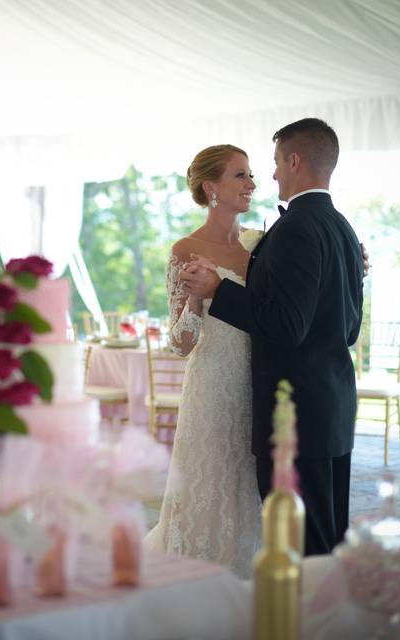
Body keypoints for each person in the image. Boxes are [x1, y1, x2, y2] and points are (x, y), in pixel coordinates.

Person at [180, 118, 364, 556]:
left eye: (277, 163)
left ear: (295, 160)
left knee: (302, 549)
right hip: (332, 409)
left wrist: (218, 290)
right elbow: (350, 329)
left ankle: (308, 624)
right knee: (327, 542)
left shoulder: (297, 227)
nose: (273, 175)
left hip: (297, 417)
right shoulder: (342, 228)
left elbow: (286, 325)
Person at [143, 144, 262, 577]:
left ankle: (245, 573)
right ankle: (196, 574)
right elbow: (180, 343)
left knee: (248, 482)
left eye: (251, 175)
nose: (251, 184)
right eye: (240, 175)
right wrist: (194, 298)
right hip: (212, 383)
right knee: (208, 480)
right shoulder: (185, 249)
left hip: (258, 381)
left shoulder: (261, 250)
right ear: (212, 187)